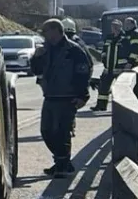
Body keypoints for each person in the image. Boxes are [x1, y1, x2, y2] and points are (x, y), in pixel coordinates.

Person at [29, 18, 93, 178]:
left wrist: (82, 96)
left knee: (62, 132)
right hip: (50, 96)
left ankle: (62, 165)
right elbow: (36, 71)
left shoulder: (74, 50)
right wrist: (36, 57)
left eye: (46, 32)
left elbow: (83, 73)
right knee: (46, 131)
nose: (44, 36)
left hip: (68, 97)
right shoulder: (46, 50)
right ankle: (62, 162)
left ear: (56, 31)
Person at [96, 19, 126, 110]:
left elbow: (127, 52)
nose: (114, 28)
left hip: (119, 68)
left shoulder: (124, 38)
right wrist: (103, 58)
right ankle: (101, 106)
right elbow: (104, 50)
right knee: (102, 88)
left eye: (116, 26)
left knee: (121, 89)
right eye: (113, 26)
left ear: (120, 27)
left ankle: (122, 108)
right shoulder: (109, 37)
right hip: (108, 67)